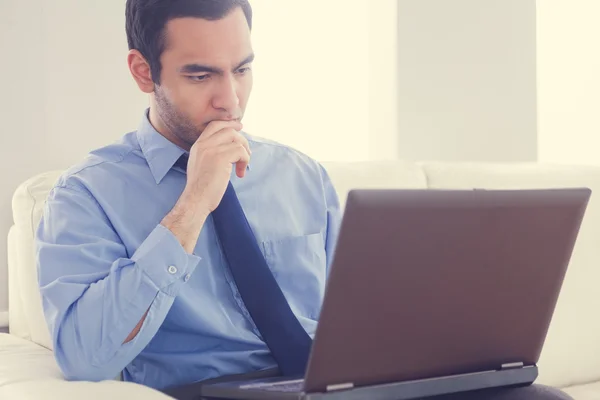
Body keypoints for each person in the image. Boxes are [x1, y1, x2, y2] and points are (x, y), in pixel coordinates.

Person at [34, 1, 572, 399]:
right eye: (201, 75)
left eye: (242, 69)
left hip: (331, 386)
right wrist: (193, 203)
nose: (230, 99)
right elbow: (85, 356)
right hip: (218, 391)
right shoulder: (85, 195)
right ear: (143, 71)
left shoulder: (299, 175)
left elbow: (359, 314)